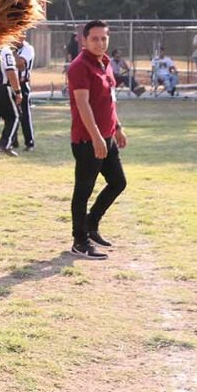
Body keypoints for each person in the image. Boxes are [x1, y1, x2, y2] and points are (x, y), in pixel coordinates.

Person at [66, 20, 126, 261]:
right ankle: (79, 241)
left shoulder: (105, 63)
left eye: (104, 38)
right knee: (83, 189)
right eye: (94, 39)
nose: (100, 43)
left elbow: (108, 102)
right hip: (87, 139)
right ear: (83, 40)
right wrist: (96, 137)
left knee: (118, 182)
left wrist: (118, 127)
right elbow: (83, 105)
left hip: (107, 136)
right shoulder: (79, 66)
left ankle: (91, 225)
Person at [10, 35, 36, 150]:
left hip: (22, 83)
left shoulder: (28, 48)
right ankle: (12, 141)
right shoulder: (8, 48)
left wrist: (12, 53)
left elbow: (20, 65)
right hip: (10, 85)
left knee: (24, 114)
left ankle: (29, 142)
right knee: (11, 114)